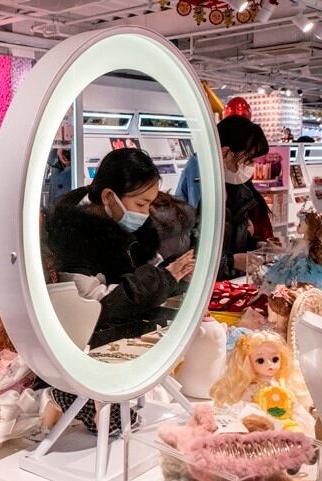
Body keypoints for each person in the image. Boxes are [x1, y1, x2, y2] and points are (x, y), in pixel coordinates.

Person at [49, 148, 195, 343]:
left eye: (149, 204)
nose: (145, 213)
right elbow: (95, 305)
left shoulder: (134, 229)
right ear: (108, 196)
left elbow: (146, 274)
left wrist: (176, 273)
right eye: (141, 204)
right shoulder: (73, 237)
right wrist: (166, 278)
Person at [175, 115, 270, 279]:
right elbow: (195, 250)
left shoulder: (234, 184)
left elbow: (231, 236)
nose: (252, 166)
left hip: (227, 281)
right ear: (225, 152)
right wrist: (232, 262)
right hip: (203, 284)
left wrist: (255, 245)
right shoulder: (201, 180)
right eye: (248, 159)